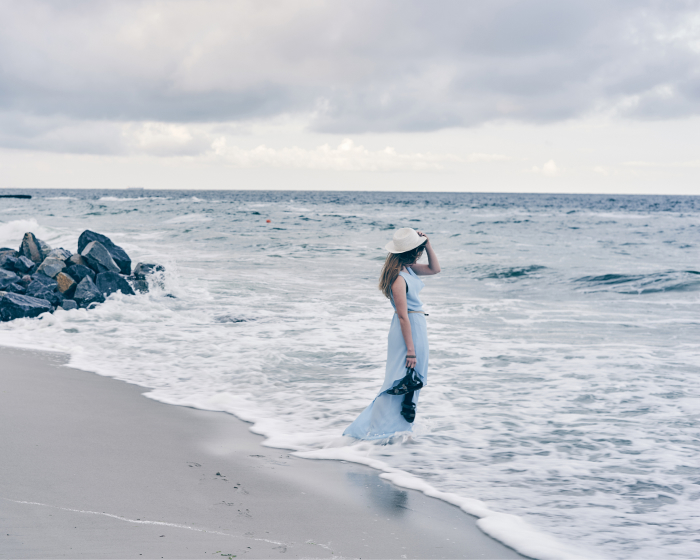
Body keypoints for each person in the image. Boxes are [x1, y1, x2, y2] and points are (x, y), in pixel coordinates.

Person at [343, 227, 441, 440]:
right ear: (412, 251)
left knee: (415, 378)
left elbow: (435, 269)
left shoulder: (410, 269)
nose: (420, 251)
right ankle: (379, 430)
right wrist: (411, 350)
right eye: (419, 249)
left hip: (417, 326)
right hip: (408, 330)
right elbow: (403, 316)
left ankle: (400, 429)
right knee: (398, 378)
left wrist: (429, 245)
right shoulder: (399, 278)